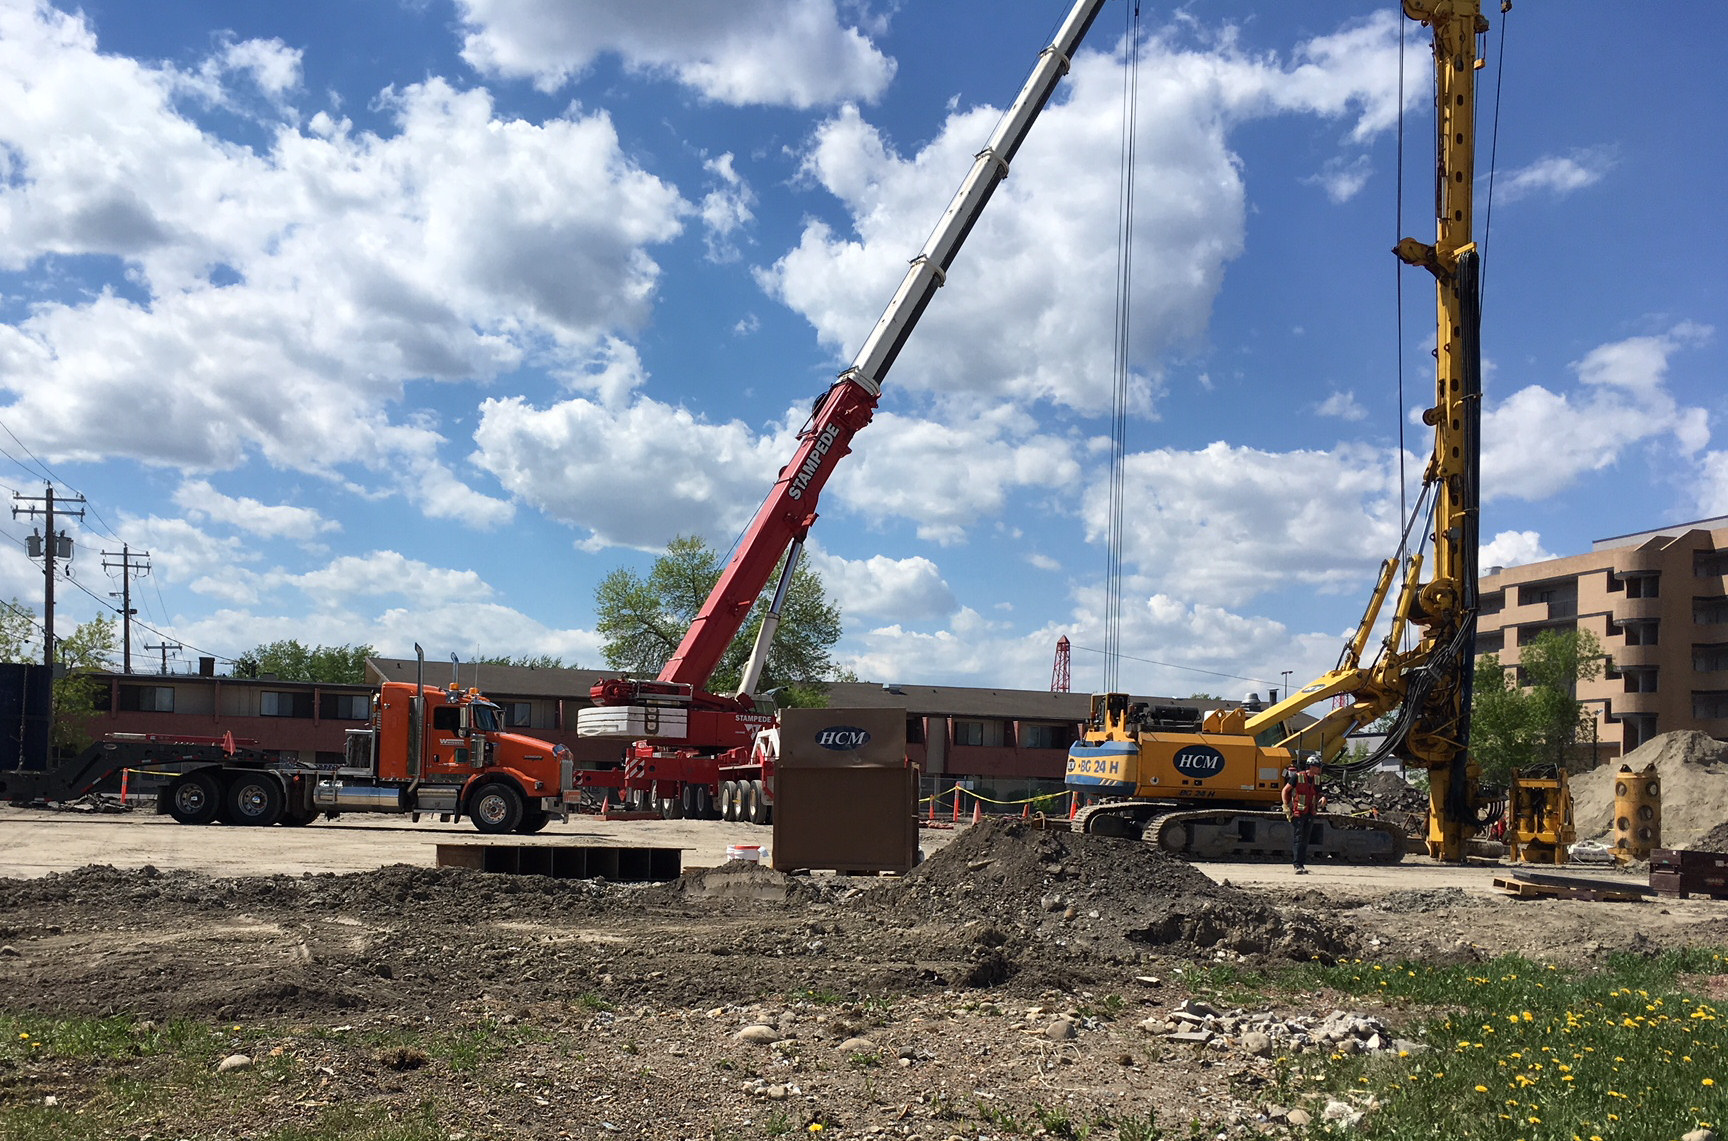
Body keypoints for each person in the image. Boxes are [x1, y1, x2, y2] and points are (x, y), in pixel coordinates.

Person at [1282, 758, 1326, 873]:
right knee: (1298, 838)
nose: (1319, 768)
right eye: (1317, 766)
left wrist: (1322, 798)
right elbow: (1285, 790)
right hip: (1298, 812)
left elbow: (1319, 793)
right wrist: (1286, 805)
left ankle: (1301, 864)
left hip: (1310, 812)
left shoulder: (1317, 779)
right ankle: (1297, 865)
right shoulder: (1298, 776)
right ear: (1311, 766)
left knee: (1305, 839)